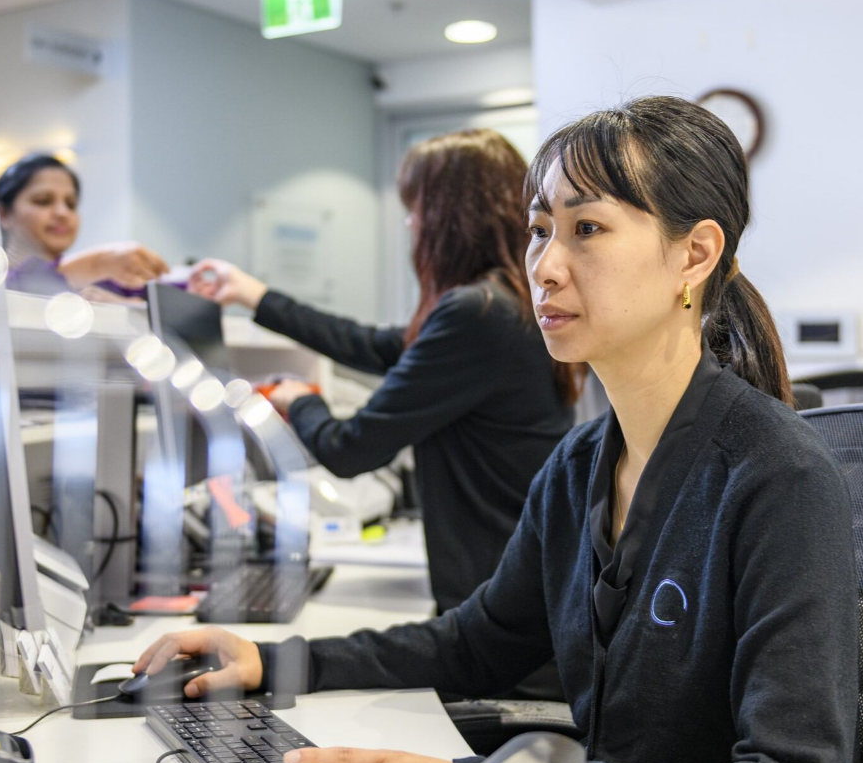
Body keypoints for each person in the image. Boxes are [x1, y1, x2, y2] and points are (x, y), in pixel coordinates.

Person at [138, 97, 859, 763]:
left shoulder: (776, 477)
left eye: (588, 230)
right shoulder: (579, 468)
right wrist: (273, 660)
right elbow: (474, 645)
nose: (544, 265)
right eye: (540, 228)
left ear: (694, 255)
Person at [189, 129, 581, 618]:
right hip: (517, 583)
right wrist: (253, 296)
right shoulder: (506, 300)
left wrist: (299, 401)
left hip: (500, 604)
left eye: (415, 207)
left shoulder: (476, 313)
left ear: (446, 217)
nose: (410, 222)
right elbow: (373, 344)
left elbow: (349, 447)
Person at [0, 153, 171, 296]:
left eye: (71, 204)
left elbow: (161, 297)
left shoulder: (103, 282)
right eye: (43, 201)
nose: (63, 213)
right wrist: (97, 264)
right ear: (3, 213)